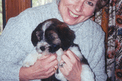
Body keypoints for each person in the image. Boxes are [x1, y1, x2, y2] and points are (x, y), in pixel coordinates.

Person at [0, 0, 109, 81]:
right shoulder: (27, 20)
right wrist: (28, 73)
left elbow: (100, 78)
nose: (78, 8)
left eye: (89, 3)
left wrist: (78, 78)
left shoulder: (95, 34)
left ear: (95, 9)